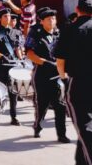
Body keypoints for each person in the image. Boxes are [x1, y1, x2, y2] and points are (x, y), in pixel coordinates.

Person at [54, 0, 92, 165]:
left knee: (84, 126)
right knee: (84, 130)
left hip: (79, 83)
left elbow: (60, 61)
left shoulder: (70, 29)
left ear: (77, 10)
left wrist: (64, 79)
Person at [25, 8, 70, 143]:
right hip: (42, 74)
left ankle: (61, 134)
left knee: (60, 105)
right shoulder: (36, 33)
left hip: (57, 74)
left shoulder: (58, 33)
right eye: (49, 19)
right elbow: (29, 53)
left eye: (54, 18)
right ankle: (37, 125)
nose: (52, 21)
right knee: (42, 105)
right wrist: (45, 63)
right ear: (42, 21)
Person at [0, 8, 25, 125]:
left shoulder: (16, 32)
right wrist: (1, 56)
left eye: (9, 16)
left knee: (13, 92)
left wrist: (21, 60)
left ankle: (13, 117)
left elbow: (17, 49)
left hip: (13, 66)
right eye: (5, 16)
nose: (8, 18)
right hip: (1, 65)